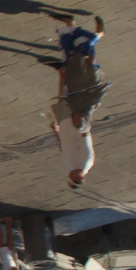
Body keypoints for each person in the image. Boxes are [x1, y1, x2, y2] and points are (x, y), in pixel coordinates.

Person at [48, 14, 104, 187]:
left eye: (72, 178)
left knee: (63, 92)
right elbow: (85, 135)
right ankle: (97, 34)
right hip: (74, 117)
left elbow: (63, 148)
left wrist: (55, 130)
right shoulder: (85, 162)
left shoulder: (70, 166)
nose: (73, 175)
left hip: (65, 122)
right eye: (76, 178)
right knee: (85, 57)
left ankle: (62, 71)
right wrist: (78, 119)